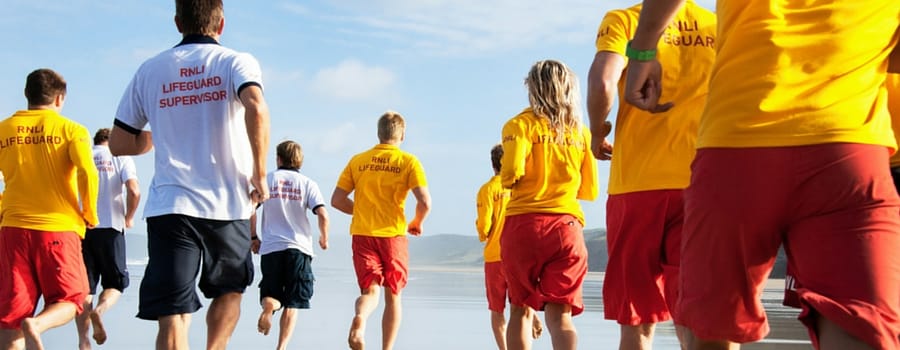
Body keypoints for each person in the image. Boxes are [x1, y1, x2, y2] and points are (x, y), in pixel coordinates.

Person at [624, 1, 900, 349]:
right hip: (846, 149)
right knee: (859, 326)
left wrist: (644, 48)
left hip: (737, 142)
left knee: (712, 332)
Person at [108, 0, 271, 348]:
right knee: (228, 291)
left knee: (173, 311)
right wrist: (259, 172)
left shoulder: (150, 69)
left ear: (178, 22)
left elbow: (119, 142)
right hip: (227, 204)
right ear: (221, 24)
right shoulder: (235, 61)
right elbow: (256, 106)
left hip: (171, 204)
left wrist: (160, 133)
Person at [586, 2, 715, 349]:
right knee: (694, 318)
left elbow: (602, 82)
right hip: (700, 184)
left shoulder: (625, 20)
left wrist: (598, 132)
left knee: (637, 323)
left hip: (636, 187)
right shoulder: (716, 26)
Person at [499, 60, 599, 350]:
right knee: (561, 317)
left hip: (524, 224)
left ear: (532, 88)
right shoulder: (580, 132)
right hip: (566, 227)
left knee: (519, 309)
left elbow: (510, 174)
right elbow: (589, 188)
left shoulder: (518, 124)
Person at [0, 68, 99, 350]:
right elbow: (86, 172)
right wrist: (90, 213)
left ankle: (26, 325)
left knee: (11, 315)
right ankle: (39, 324)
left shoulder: (3, 129)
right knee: (71, 299)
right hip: (57, 228)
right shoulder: (72, 130)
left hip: (13, 229)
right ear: (59, 99)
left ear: (26, 96)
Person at [330, 111, 431, 350]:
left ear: (379, 133)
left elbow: (337, 199)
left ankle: (361, 320)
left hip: (363, 235)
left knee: (371, 290)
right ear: (402, 134)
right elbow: (425, 201)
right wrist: (417, 221)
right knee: (393, 296)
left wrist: (362, 210)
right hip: (393, 236)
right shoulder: (408, 162)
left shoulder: (358, 161)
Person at [249, 140, 329, 350]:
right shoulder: (308, 183)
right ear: (299, 160)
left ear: (279, 159)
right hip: (299, 249)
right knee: (293, 302)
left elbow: (251, 208)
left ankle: (268, 310)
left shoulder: (267, 180)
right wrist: (324, 237)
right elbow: (322, 213)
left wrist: (253, 238)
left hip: (271, 248)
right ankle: (281, 347)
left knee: (272, 293)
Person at [75, 128, 141, 349]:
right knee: (115, 283)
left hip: (83, 228)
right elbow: (134, 190)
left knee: (86, 288)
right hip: (112, 227)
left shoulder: (82, 155)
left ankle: (83, 341)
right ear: (113, 140)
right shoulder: (120, 156)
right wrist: (129, 217)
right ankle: (100, 311)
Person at [475, 144, 543, 350]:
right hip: (519, 256)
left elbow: (484, 228)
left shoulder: (487, 190)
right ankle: (531, 323)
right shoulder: (520, 187)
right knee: (522, 304)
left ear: (493, 164)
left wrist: (480, 230)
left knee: (497, 310)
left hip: (495, 256)